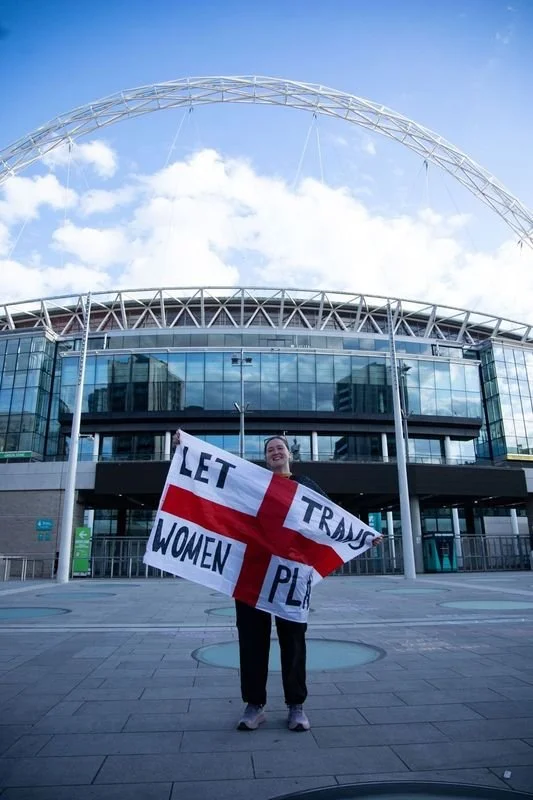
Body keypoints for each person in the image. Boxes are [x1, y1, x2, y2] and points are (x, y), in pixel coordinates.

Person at [172, 431, 382, 733]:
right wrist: (187, 450)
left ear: (289, 454)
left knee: (293, 642)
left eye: (280, 448)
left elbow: (334, 520)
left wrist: (363, 535)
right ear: (266, 457)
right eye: (270, 449)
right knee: (251, 641)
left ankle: (296, 705)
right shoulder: (254, 484)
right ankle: (254, 705)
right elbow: (217, 485)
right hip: (252, 573)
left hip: (291, 578)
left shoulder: (306, 487)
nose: (275, 452)